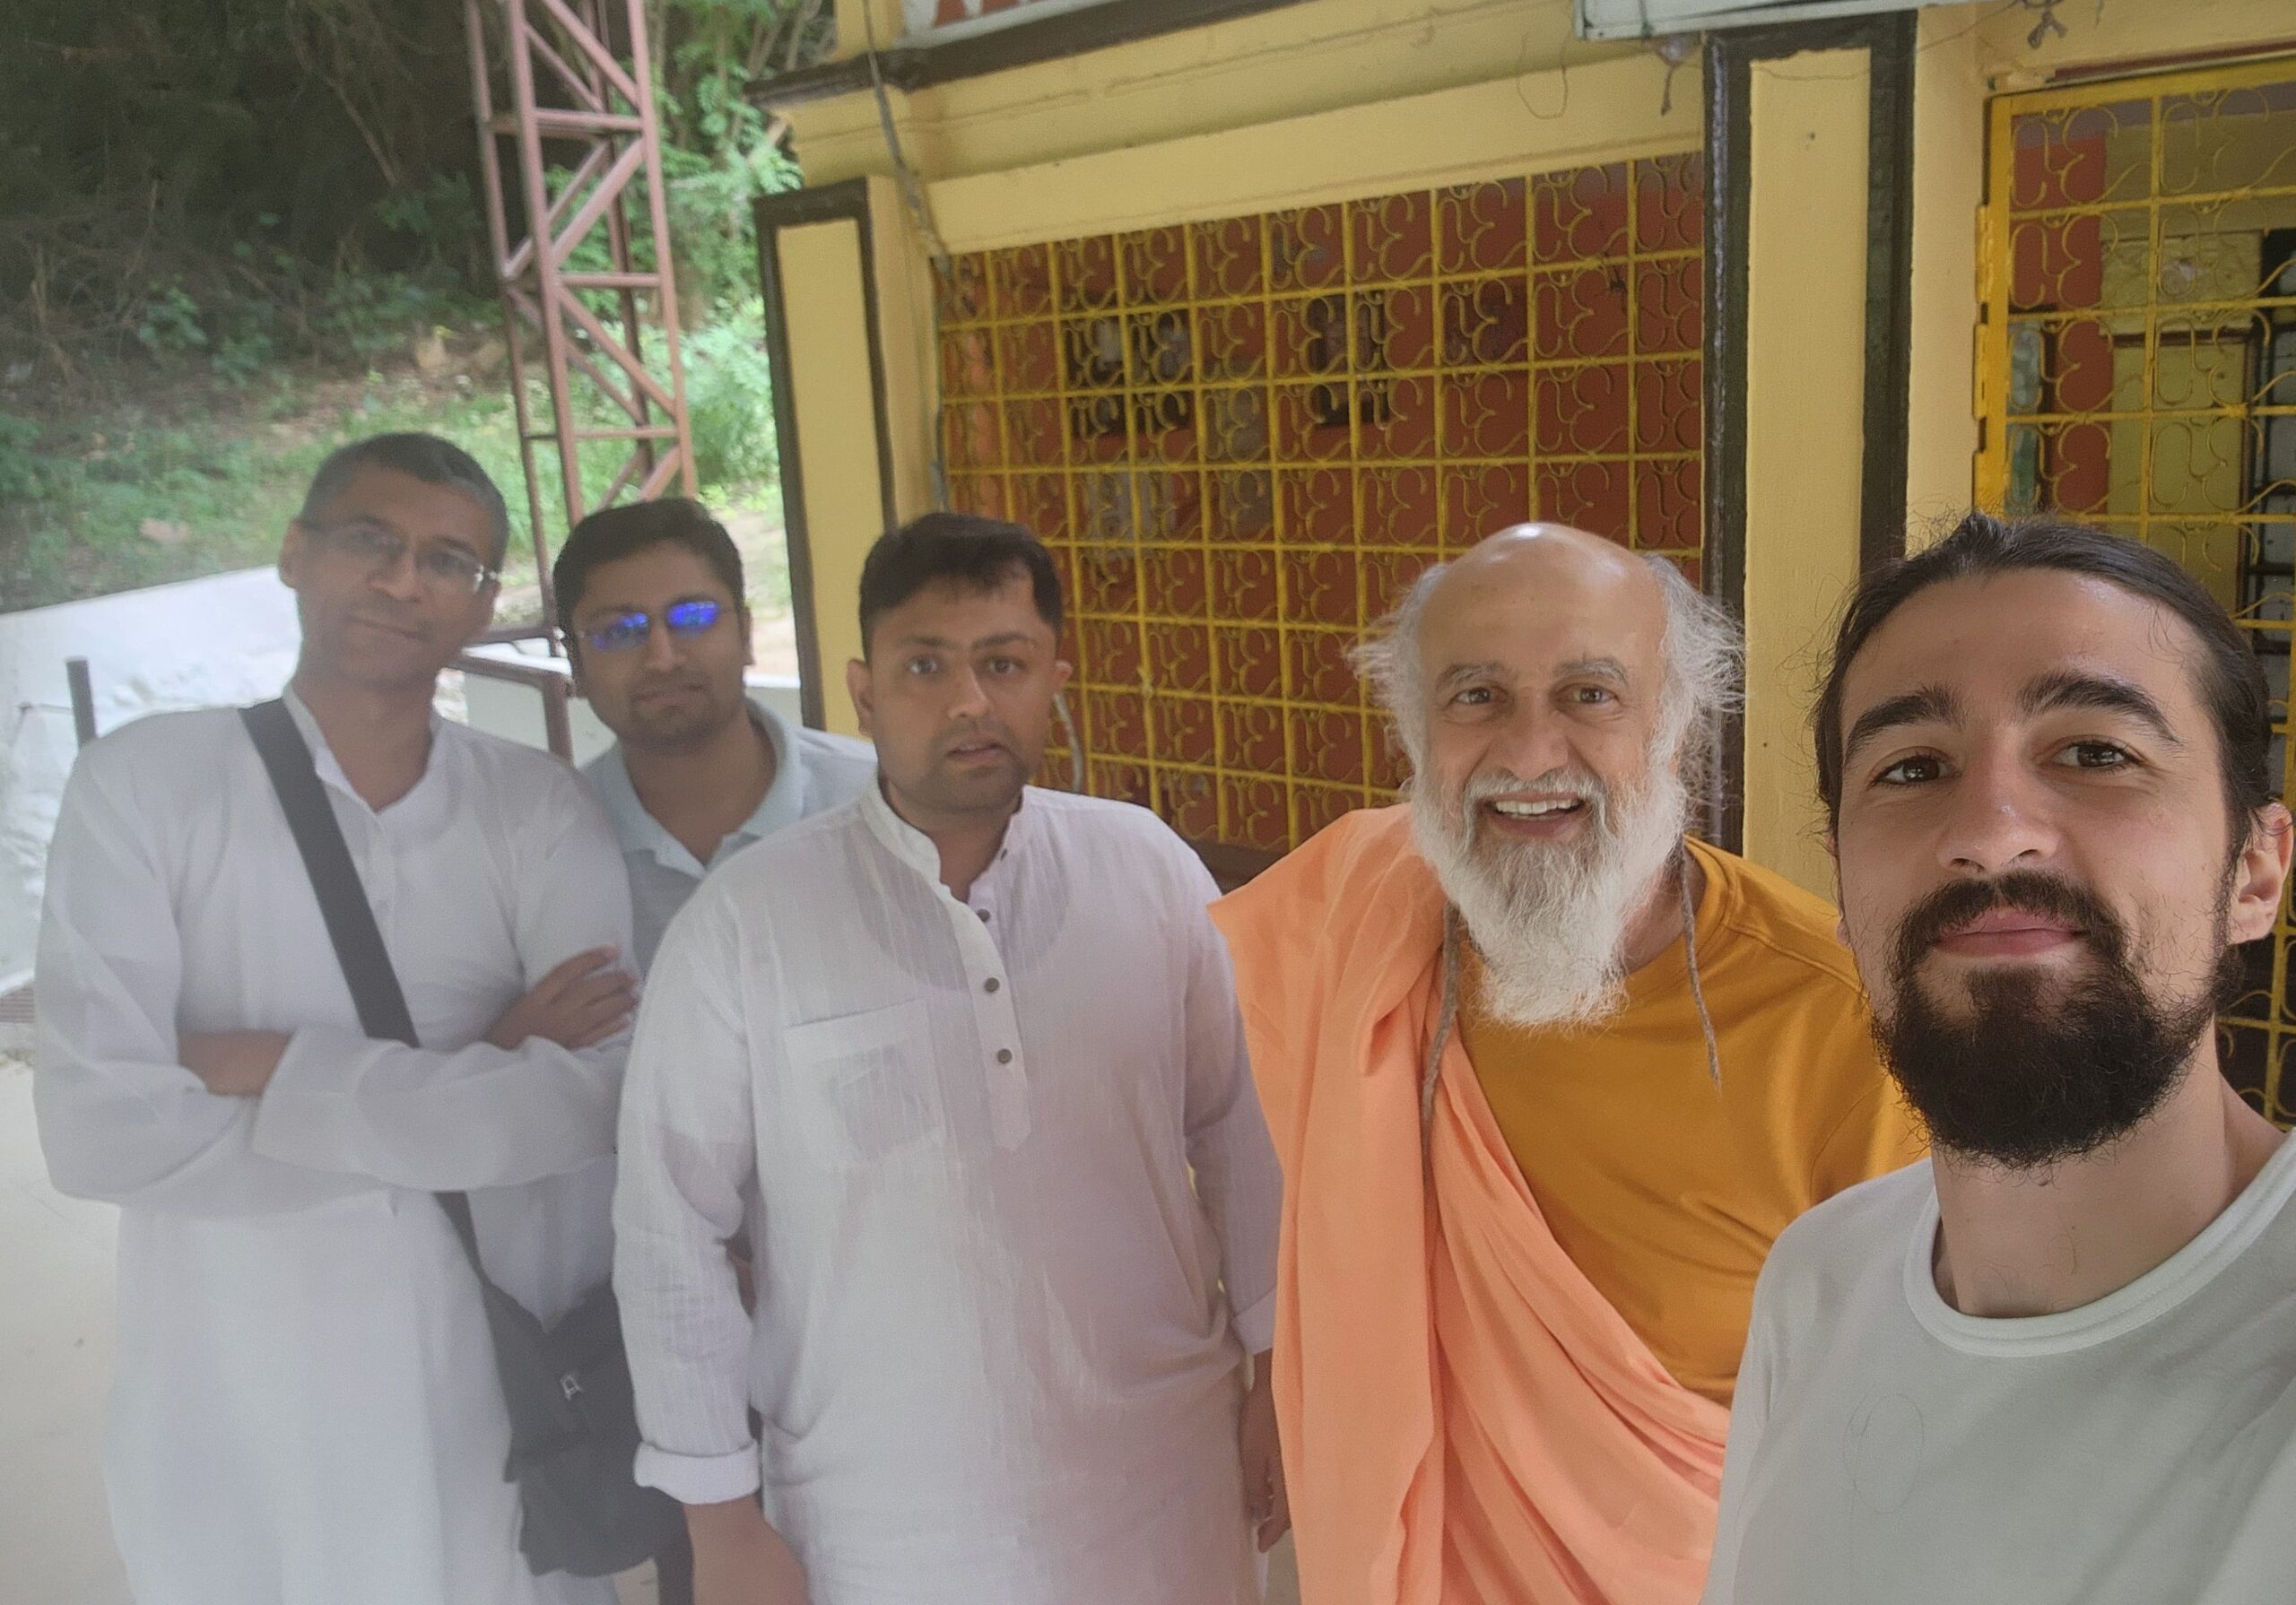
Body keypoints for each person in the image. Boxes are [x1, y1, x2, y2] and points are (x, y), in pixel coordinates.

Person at [1211, 522, 1925, 1605]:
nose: (1529, 753)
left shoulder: (1842, 1027)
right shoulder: (1353, 917)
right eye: (1474, 697)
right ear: (1414, 732)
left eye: (1591, 694)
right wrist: (1280, 1370)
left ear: (1675, 726)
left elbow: (1907, 1442)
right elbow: (1296, 1172)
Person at [613, 512, 1286, 1605]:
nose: (969, 701)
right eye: (926, 665)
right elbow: (666, 1228)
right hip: (876, 1517)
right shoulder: (748, 923)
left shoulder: (1145, 869)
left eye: (1003, 663)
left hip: (1165, 1477)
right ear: (864, 689)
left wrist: (1279, 1376)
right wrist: (719, 1525)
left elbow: (1246, 1130)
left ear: (1054, 679)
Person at [34, 434, 641, 1605]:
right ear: (295, 552)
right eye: (373, 540)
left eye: (450, 560)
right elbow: (101, 1130)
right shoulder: (148, 785)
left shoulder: (536, 808)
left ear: (479, 605)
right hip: (246, 1401)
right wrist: (484, 1068)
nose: (405, 580)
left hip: (498, 1395)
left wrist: (260, 1069)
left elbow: (590, 1100)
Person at [1702, 514, 2296, 1605]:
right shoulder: (1817, 1283)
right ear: (1843, 887)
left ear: (2254, 873)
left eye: (2094, 752)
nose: (1991, 830)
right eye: (1912, 766)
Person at [554, 498, 875, 971]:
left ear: (746, 635)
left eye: (693, 617)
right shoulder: (547, 846)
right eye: (618, 631)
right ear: (576, 666)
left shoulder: (876, 801)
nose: (662, 658)